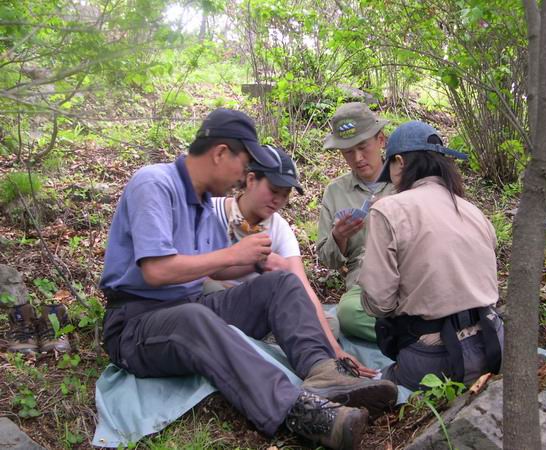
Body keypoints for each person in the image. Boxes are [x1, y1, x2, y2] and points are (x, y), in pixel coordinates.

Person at [99, 108, 397, 449]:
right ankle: (299, 411)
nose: (243, 176)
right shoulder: (154, 183)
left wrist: (256, 264)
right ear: (220, 153)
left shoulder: (201, 200)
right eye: (243, 165)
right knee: (192, 318)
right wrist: (234, 254)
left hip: (190, 304)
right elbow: (156, 270)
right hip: (136, 323)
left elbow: (213, 270)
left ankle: (324, 372)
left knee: (281, 284)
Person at [208, 144, 377, 377]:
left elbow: (302, 286)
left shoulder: (278, 228)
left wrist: (336, 350)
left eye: (285, 194)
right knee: (209, 286)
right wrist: (247, 264)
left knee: (329, 325)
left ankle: (269, 340)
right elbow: (190, 273)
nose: (278, 200)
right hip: (214, 307)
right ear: (251, 180)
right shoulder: (210, 212)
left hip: (260, 310)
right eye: (273, 190)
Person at [358, 120, 504, 390]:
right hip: (494, 344)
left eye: (390, 171)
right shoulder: (473, 211)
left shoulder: (388, 210)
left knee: (377, 384)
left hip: (434, 360)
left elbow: (380, 302)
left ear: (400, 162)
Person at [317, 102, 395, 342]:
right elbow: (326, 259)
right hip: (365, 285)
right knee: (349, 314)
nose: (358, 158)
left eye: (363, 147)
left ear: (380, 140)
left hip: (409, 273)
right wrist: (338, 237)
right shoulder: (336, 192)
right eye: (348, 152)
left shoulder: (404, 181)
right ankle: (415, 335)